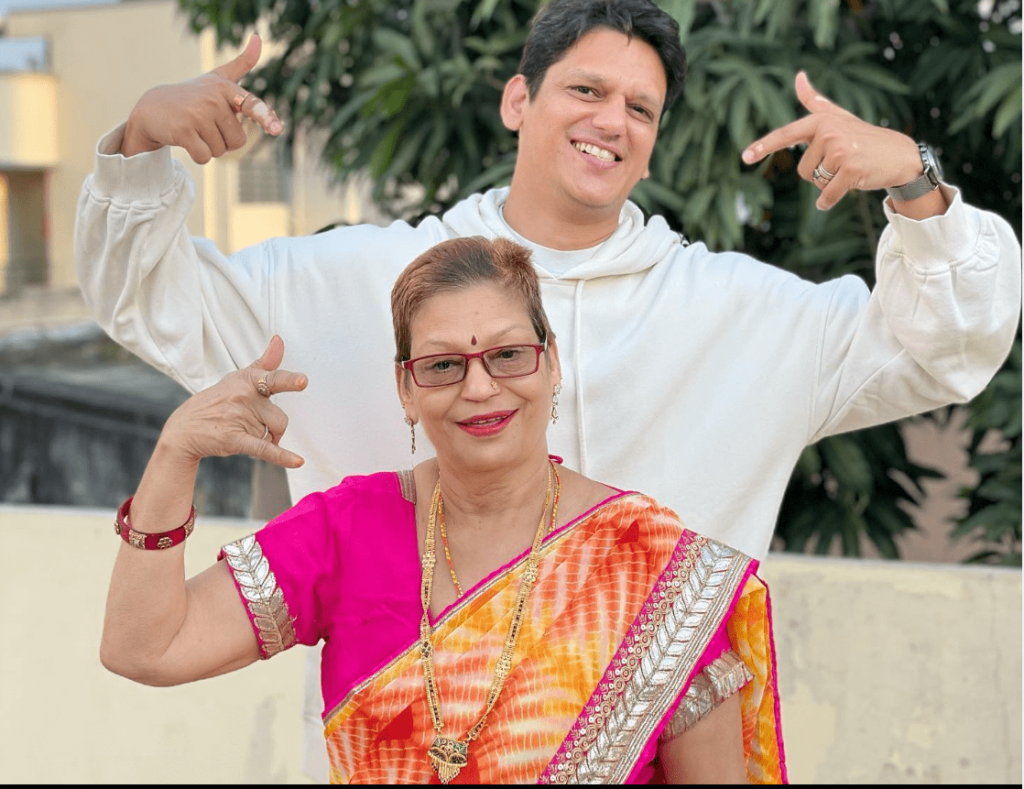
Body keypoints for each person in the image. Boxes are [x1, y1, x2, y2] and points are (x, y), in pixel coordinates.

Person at [76, 0, 1021, 779]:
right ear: (517, 100)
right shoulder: (355, 282)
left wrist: (919, 184)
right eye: (586, 88)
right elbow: (148, 301)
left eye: (641, 108)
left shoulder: (747, 313)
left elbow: (948, 346)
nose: (612, 120)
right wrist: (137, 140)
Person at [100, 237, 787, 784]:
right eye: (443, 365)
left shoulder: (651, 567)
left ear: (552, 366)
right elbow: (145, 648)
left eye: (509, 355)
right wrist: (174, 454)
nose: (481, 387)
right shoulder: (346, 530)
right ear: (406, 387)